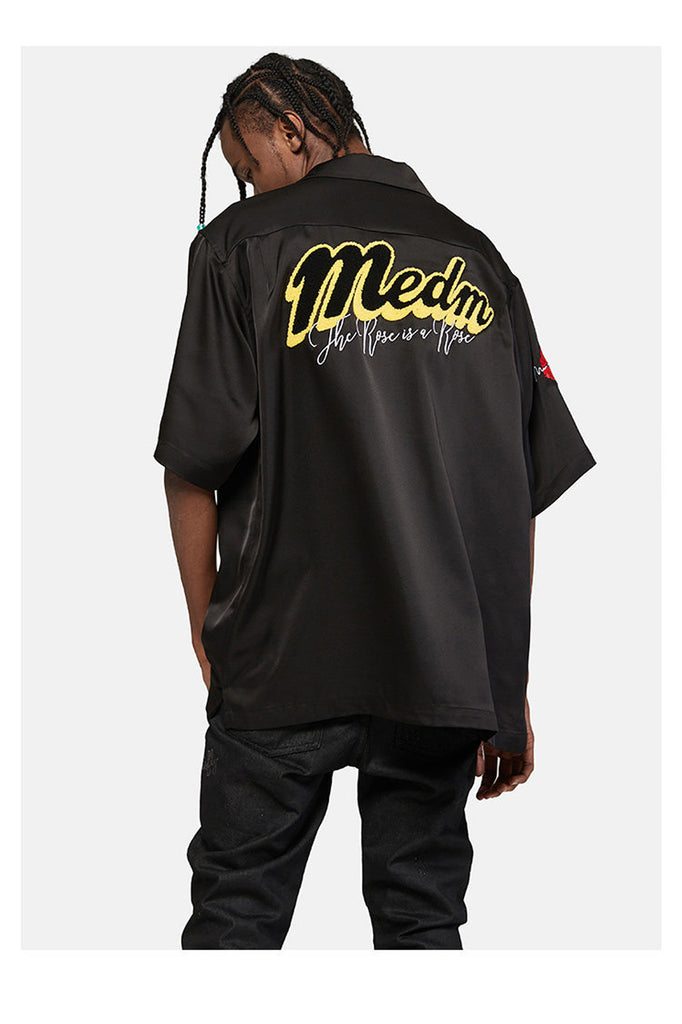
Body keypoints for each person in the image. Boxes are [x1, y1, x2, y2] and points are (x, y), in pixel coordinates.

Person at [153, 52, 597, 950]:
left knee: (236, 920)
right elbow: (511, 492)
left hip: (280, 660)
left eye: (249, 167)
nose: (248, 190)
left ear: (291, 130)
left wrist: (206, 630)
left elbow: (192, 464)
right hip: (440, 669)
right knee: (422, 924)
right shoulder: (479, 260)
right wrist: (500, 683)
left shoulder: (240, 247)